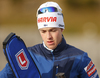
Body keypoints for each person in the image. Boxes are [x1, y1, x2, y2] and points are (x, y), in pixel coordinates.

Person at [0, 1, 99, 78]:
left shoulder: (80, 57)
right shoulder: (26, 56)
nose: (48, 36)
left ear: (61, 29)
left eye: (53, 30)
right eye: (43, 31)